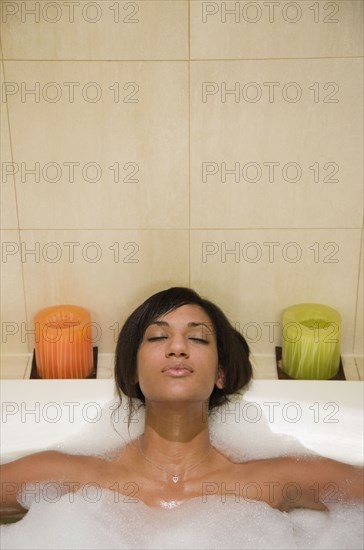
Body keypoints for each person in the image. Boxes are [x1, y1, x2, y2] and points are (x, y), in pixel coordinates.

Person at [1, 287, 362, 516]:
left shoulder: (267, 482)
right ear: (132, 372)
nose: (177, 348)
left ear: (220, 375)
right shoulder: (73, 479)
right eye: (158, 336)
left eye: (199, 339)